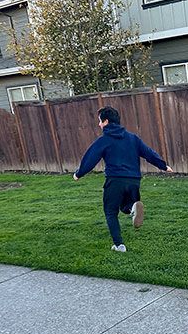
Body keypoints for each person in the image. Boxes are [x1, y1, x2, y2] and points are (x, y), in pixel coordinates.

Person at [73, 106, 173, 252]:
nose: (99, 125)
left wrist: (78, 174)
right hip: (134, 179)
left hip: (115, 180)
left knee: (110, 211)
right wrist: (163, 166)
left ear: (106, 122)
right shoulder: (132, 138)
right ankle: (133, 207)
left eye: (100, 121)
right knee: (125, 206)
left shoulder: (104, 140)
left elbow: (91, 158)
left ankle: (119, 245)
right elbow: (148, 153)